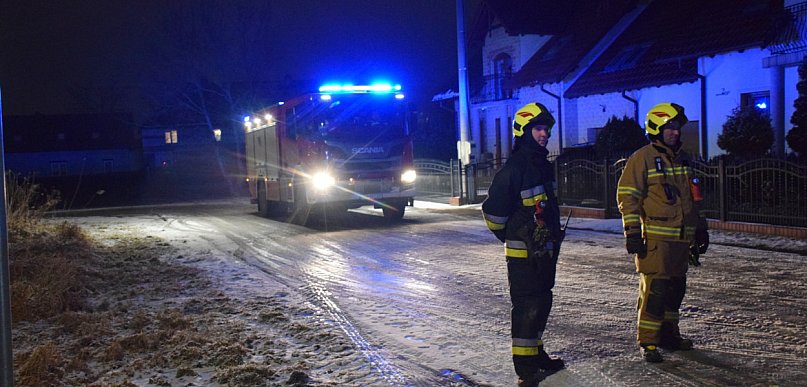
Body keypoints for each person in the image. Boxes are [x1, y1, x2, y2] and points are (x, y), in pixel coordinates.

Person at [616, 102, 709, 363]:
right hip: (656, 240)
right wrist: (632, 231)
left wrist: (700, 229)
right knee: (655, 291)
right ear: (656, 127)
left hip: (681, 240)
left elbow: (693, 199)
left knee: (675, 290)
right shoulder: (642, 158)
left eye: (677, 127)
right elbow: (628, 197)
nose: (675, 132)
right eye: (669, 127)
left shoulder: (682, 158)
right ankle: (648, 342)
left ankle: (669, 335)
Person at [482, 102, 565, 385]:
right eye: (538, 129)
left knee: (542, 303)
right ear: (524, 131)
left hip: (544, 253)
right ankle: (525, 368)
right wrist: (514, 235)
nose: (544, 134)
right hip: (523, 255)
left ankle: (536, 354)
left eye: (546, 129)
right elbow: (493, 214)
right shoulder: (514, 168)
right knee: (528, 307)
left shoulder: (541, 166)